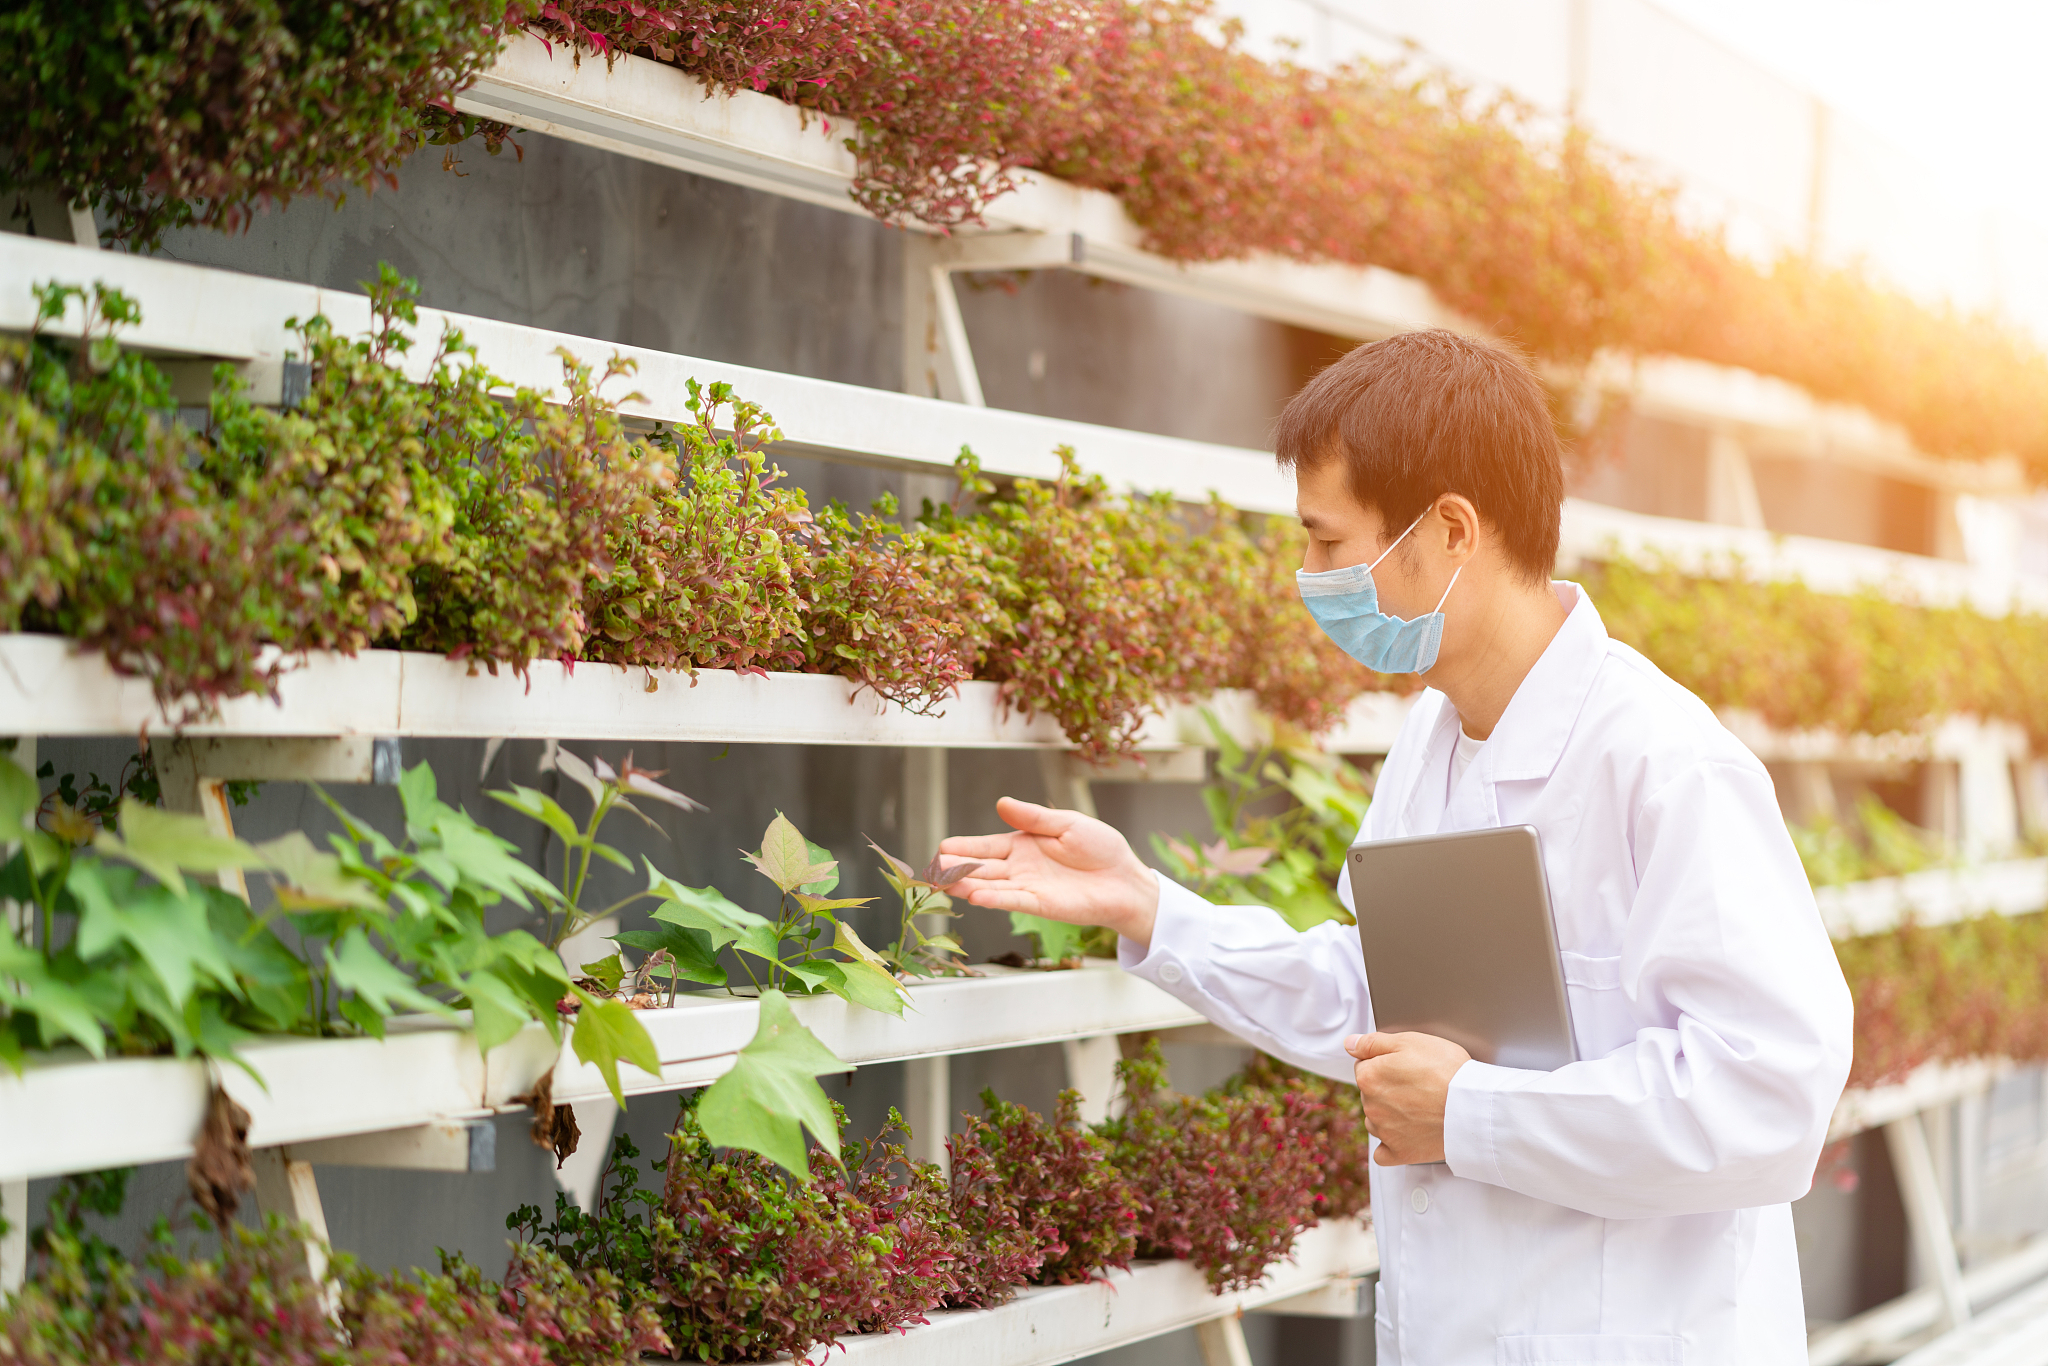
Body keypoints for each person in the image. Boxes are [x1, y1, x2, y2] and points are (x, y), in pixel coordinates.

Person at [940, 329, 1854, 1365]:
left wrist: (1471, 1114)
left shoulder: (1664, 762)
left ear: (1450, 529)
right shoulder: (1433, 737)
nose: (1309, 576)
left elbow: (1768, 1091)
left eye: (1329, 544)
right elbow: (1377, 996)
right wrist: (1148, 908)